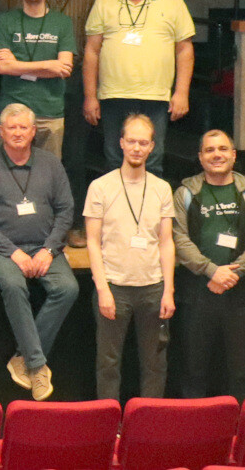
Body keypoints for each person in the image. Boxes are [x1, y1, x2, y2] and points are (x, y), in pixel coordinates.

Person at [0, 104, 75, 400]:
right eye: (11, 127)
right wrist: (14, 253)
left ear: (33, 131)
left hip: (44, 247)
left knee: (68, 288)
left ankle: (23, 357)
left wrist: (49, 249)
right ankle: (37, 365)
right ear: (1, 132)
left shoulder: (51, 164)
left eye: (23, 127)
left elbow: (66, 211)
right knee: (15, 286)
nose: (17, 133)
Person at [170, 130, 245, 398]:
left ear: (234, 155)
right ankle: (195, 424)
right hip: (197, 294)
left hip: (241, 294)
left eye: (223, 149)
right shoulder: (185, 193)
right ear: (200, 157)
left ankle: (241, 423)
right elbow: (179, 239)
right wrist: (212, 271)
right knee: (193, 370)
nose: (217, 155)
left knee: (242, 371)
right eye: (210, 150)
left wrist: (232, 275)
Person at [84, 114, 176, 399]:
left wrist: (168, 291)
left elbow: (166, 242)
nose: (137, 148)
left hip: (153, 288)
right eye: (132, 141)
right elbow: (92, 242)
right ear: (121, 143)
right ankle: (109, 421)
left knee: (155, 364)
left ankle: (149, 422)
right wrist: (103, 290)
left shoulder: (162, 188)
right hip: (114, 288)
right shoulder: (100, 187)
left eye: (143, 143)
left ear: (152, 147)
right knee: (108, 364)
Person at [82, 0, 194, 175]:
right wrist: (90, 96)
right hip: (113, 95)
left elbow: (184, 50)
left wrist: (182, 92)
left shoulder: (172, 1)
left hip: (156, 97)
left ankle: (148, 202)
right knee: (114, 161)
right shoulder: (104, 2)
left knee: (152, 161)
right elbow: (91, 52)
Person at [0, 0, 77, 156]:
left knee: (49, 170)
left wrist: (17, 66)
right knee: (11, 169)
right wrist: (49, 65)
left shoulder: (62, 23)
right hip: (14, 111)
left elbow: (64, 69)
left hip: (50, 111)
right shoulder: (6, 20)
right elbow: (3, 67)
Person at [43, 0, 99, 206]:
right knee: (45, 154)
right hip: (42, 81)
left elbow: (95, 44)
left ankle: (75, 218)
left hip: (77, 80)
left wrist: (91, 92)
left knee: (75, 155)